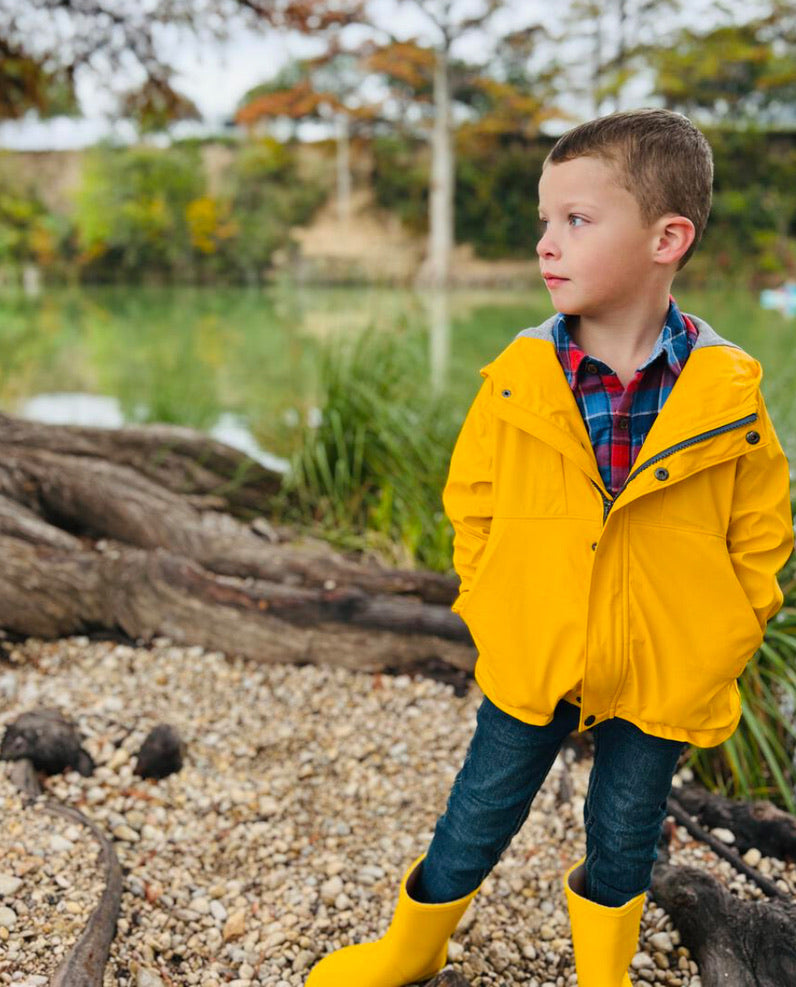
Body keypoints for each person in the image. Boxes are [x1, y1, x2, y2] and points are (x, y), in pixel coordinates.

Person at [305, 108, 795, 987]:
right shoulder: (519, 375)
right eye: (544, 221)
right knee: (482, 802)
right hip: (538, 640)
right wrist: (493, 601)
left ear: (666, 238)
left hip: (665, 652)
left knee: (627, 823)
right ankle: (414, 942)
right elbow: (473, 501)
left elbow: (761, 530)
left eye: (576, 220)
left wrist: (731, 625)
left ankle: (600, 970)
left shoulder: (726, 390)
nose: (546, 243)